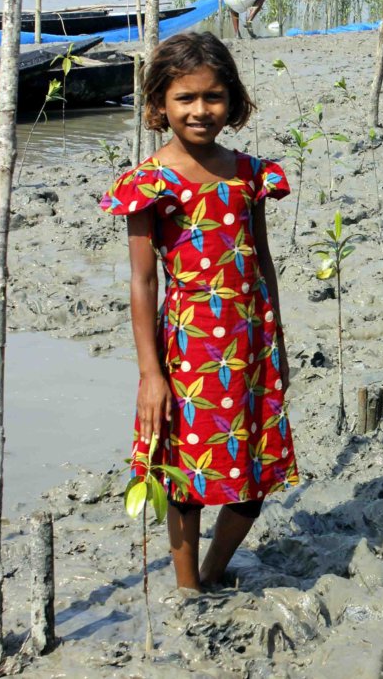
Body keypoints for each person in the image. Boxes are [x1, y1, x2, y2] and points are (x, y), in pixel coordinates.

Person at [100, 31, 299, 591]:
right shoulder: (149, 182)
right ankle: (188, 590)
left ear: (232, 101)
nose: (200, 110)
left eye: (213, 97)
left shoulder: (248, 174)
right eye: (185, 98)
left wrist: (276, 339)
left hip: (250, 346)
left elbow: (261, 261)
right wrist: (150, 375)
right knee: (185, 479)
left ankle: (214, 572)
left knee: (252, 479)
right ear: (159, 103)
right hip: (187, 355)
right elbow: (142, 283)